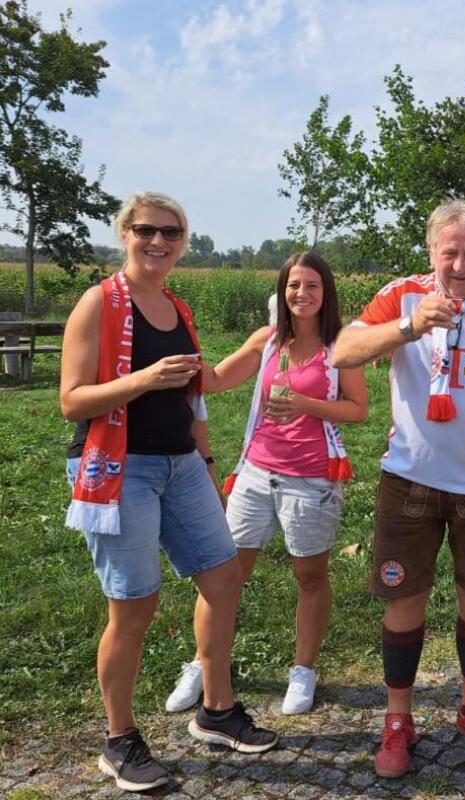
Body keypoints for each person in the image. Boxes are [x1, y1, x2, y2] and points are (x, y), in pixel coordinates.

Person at [60, 192, 278, 794]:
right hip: (119, 467)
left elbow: (199, 387)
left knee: (224, 576)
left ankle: (216, 710)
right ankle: (119, 740)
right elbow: (71, 400)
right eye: (147, 230)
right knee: (134, 606)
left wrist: (257, 349)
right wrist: (142, 380)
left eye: (172, 233)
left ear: (183, 241)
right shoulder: (98, 304)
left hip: (181, 465)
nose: (159, 242)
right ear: (125, 233)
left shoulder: (177, 306)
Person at [333, 200, 465, 779]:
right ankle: (398, 719)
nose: (460, 263)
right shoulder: (402, 295)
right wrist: (407, 327)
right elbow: (341, 351)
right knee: (404, 602)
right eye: (449, 251)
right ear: (432, 252)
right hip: (410, 480)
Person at [164, 251, 367, 716]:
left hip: (312, 478)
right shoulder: (268, 339)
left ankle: (303, 670)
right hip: (255, 473)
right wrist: (181, 350)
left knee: (309, 577)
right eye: (294, 285)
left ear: (326, 292)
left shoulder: (341, 347)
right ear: (283, 291)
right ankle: (203, 663)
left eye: (312, 285)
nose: (302, 293)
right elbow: (214, 381)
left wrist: (305, 404)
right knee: (223, 577)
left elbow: (359, 409)